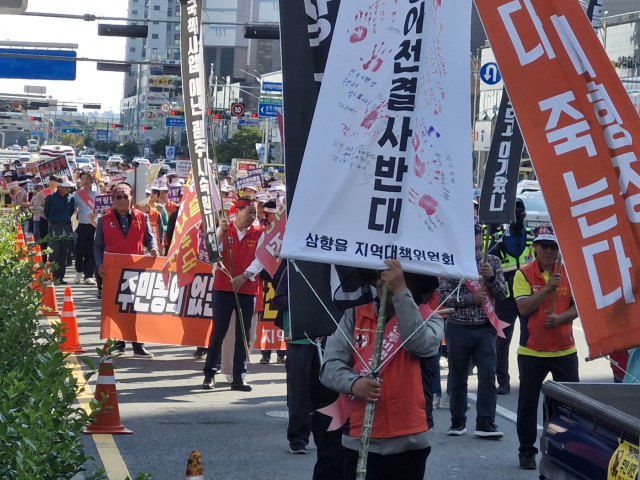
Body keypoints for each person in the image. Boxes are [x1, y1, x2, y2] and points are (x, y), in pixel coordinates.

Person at [320, 260, 444, 480]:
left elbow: (418, 343)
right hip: (360, 438)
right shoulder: (354, 316)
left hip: (411, 440)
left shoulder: (431, 319)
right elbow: (329, 367)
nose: (383, 280)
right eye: (380, 275)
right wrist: (354, 383)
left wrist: (400, 293)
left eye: (395, 275)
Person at [514, 225, 578, 470]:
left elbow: (577, 307)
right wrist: (548, 289)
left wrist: (561, 318)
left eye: (553, 246)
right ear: (535, 247)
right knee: (528, 404)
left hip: (564, 351)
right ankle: (526, 452)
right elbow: (523, 308)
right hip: (532, 351)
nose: (549, 251)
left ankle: (561, 451)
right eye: (544, 246)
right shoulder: (523, 274)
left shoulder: (568, 273)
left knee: (568, 408)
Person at [438, 224, 507, 439]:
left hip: (485, 328)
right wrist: (470, 299)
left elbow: (503, 294)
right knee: (458, 376)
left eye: (476, 233)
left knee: (488, 375)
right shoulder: (452, 262)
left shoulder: (492, 261)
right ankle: (457, 421)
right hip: (458, 327)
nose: (473, 237)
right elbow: (444, 299)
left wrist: (492, 278)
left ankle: (486, 422)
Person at [202, 197, 265, 392]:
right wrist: (220, 231)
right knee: (218, 333)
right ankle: (209, 375)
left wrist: (245, 276)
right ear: (236, 212)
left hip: (246, 289)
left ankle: (239, 376)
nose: (252, 216)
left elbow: (261, 258)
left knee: (243, 335)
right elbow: (212, 252)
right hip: (223, 287)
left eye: (254, 213)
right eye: (248, 212)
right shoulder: (223, 229)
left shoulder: (259, 233)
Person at [94, 183, 159, 358]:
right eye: (118, 197)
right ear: (113, 200)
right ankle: (119, 343)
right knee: (116, 307)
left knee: (136, 307)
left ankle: (138, 345)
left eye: (125, 197)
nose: (122, 200)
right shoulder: (103, 220)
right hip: (113, 271)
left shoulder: (142, 217)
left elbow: (149, 239)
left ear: (131, 199)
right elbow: (98, 246)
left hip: (135, 269)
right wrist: (100, 264)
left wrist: (154, 248)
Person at [491, 198, 535, 394]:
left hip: (528, 297)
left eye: (521, 213)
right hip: (506, 298)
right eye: (514, 213)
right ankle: (503, 381)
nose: (518, 216)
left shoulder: (534, 238)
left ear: (525, 215)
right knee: (502, 341)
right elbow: (488, 259)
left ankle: (527, 379)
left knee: (528, 341)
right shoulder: (498, 236)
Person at [43, 177, 75, 284]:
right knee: (54, 252)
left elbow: (70, 212)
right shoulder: (50, 198)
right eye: (66, 187)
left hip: (66, 226)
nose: (68, 189)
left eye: (69, 187)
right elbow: (46, 212)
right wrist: (54, 221)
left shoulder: (71, 198)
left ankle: (60, 277)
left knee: (64, 252)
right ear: (59, 187)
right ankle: (51, 276)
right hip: (54, 226)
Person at [73, 171, 97, 285]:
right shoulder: (77, 195)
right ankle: (78, 271)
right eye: (83, 179)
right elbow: (72, 210)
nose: (86, 181)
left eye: (88, 178)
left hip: (94, 226)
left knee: (91, 252)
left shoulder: (98, 193)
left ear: (92, 180)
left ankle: (88, 275)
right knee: (79, 251)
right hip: (82, 226)